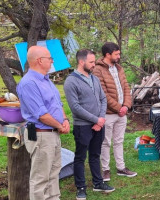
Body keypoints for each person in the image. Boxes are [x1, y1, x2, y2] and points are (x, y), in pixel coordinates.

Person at [17, 46, 70, 199]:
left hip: (53, 133)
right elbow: (42, 115)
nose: (52, 61)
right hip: (41, 135)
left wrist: (65, 119)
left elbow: (57, 104)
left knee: (54, 173)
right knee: (40, 178)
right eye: (49, 58)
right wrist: (60, 125)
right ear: (40, 61)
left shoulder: (46, 80)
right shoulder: (29, 83)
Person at [64, 49, 114, 199]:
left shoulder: (94, 79)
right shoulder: (70, 81)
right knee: (80, 157)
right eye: (91, 62)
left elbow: (103, 99)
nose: (94, 65)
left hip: (99, 124)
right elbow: (75, 107)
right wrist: (96, 120)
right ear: (81, 62)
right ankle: (80, 187)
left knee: (95, 154)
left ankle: (98, 183)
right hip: (83, 126)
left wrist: (101, 119)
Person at [92, 42, 137, 181]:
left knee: (119, 141)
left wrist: (126, 105)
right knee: (105, 142)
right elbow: (103, 94)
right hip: (107, 113)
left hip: (121, 113)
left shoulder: (119, 68)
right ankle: (105, 169)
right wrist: (119, 108)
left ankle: (121, 167)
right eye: (116, 54)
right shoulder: (98, 70)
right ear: (107, 54)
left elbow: (126, 87)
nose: (119, 56)